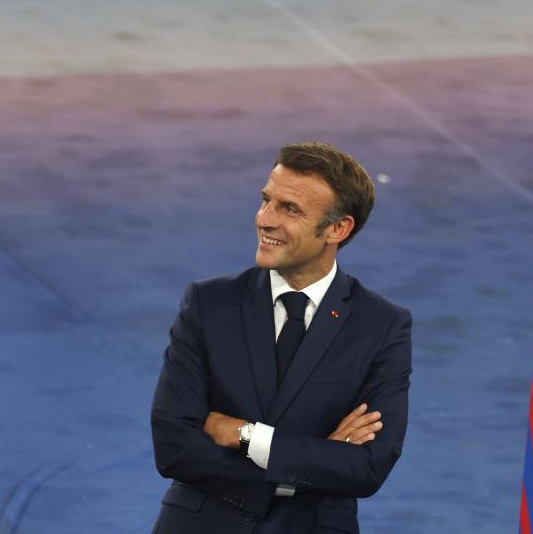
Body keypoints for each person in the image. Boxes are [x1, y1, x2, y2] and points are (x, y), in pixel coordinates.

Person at [150, 142, 413, 534]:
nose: (264, 219)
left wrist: (244, 434)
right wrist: (308, 469)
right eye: (266, 200)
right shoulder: (209, 303)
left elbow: (367, 467)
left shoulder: (381, 325)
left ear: (338, 228)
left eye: (289, 209)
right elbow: (174, 445)